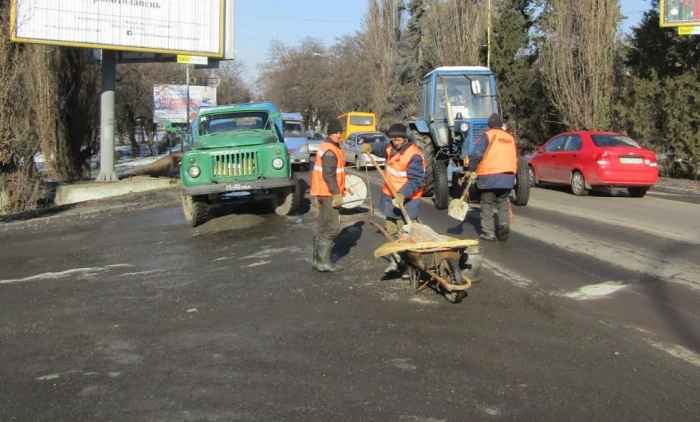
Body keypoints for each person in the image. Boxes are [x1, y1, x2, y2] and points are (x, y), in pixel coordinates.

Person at [361, 123, 426, 276]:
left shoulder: (414, 155)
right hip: (390, 197)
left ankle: (410, 265)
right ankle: (396, 261)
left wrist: (403, 194)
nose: (394, 142)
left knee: (407, 234)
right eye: (393, 139)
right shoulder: (390, 147)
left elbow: (416, 180)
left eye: (397, 139)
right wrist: (369, 146)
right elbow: (381, 147)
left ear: (404, 138)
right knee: (392, 232)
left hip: (407, 199)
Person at [468, 113, 517, 242]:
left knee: (486, 203)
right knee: (502, 202)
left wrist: (472, 170)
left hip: (489, 177)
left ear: (489, 125)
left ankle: (488, 232)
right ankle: (504, 225)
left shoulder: (487, 136)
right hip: (507, 177)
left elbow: (475, 155)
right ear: (500, 124)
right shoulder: (510, 137)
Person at [310, 119, 346, 272]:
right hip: (328, 193)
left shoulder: (326, 147)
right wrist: (337, 193)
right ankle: (324, 262)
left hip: (322, 192)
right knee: (331, 227)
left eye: (340, 132)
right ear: (329, 133)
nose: (338, 135)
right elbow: (329, 174)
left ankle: (317, 261)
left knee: (322, 226)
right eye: (335, 132)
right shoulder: (331, 150)